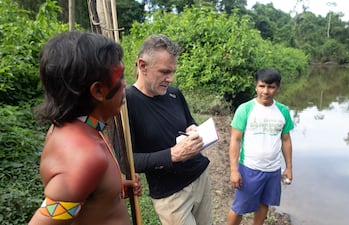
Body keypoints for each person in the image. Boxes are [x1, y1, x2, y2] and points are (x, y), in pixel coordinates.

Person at [29, 31, 142, 225]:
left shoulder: (84, 127)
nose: (125, 85)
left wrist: (113, 189)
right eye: (120, 77)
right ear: (98, 90)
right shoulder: (85, 157)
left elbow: (83, 196)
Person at [125, 34, 212, 225]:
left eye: (173, 71)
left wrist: (194, 129)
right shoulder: (126, 102)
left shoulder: (173, 93)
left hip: (200, 177)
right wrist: (172, 155)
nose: (170, 79)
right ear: (142, 65)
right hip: (171, 195)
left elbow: (190, 121)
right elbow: (127, 160)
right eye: (164, 72)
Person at [227, 68, 294, 225]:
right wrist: (234, 170)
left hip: (273, 170)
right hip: (249, 168)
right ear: (256, 86)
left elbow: (286, 140)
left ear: (278, 88)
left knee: (264, 203)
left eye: (271, 87)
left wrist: (289, 167)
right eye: (262, 86)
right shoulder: (245, 109)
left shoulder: (283, 111)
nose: (266, 91)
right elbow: (235, 140)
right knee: (239, 207)